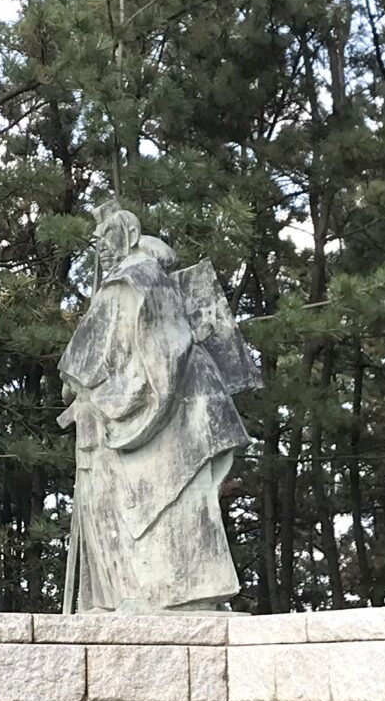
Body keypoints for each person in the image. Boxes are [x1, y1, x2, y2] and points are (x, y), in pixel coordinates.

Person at [58, 203, 259, 611]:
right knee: (176, 503)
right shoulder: (144, 283)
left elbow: (87, 362)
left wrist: (94, 394)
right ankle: (162, 595)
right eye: (96, 245)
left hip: (165, 415)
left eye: (106, 241)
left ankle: (162, 595)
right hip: (188, 411)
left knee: (162, 505)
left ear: (130, 239)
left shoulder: (132, 282)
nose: (100, 250)